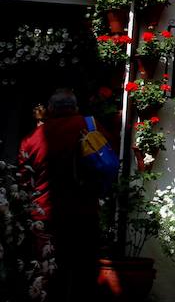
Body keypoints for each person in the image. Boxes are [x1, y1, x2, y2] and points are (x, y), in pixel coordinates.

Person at [18, 88, 103, 302]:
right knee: (83, 276)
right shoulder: (90, 128)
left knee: (49, 277)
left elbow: (23, 183)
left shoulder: (32, 139)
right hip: (85, 214)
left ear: (50, 110)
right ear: (75, 107)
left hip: (47, 218)